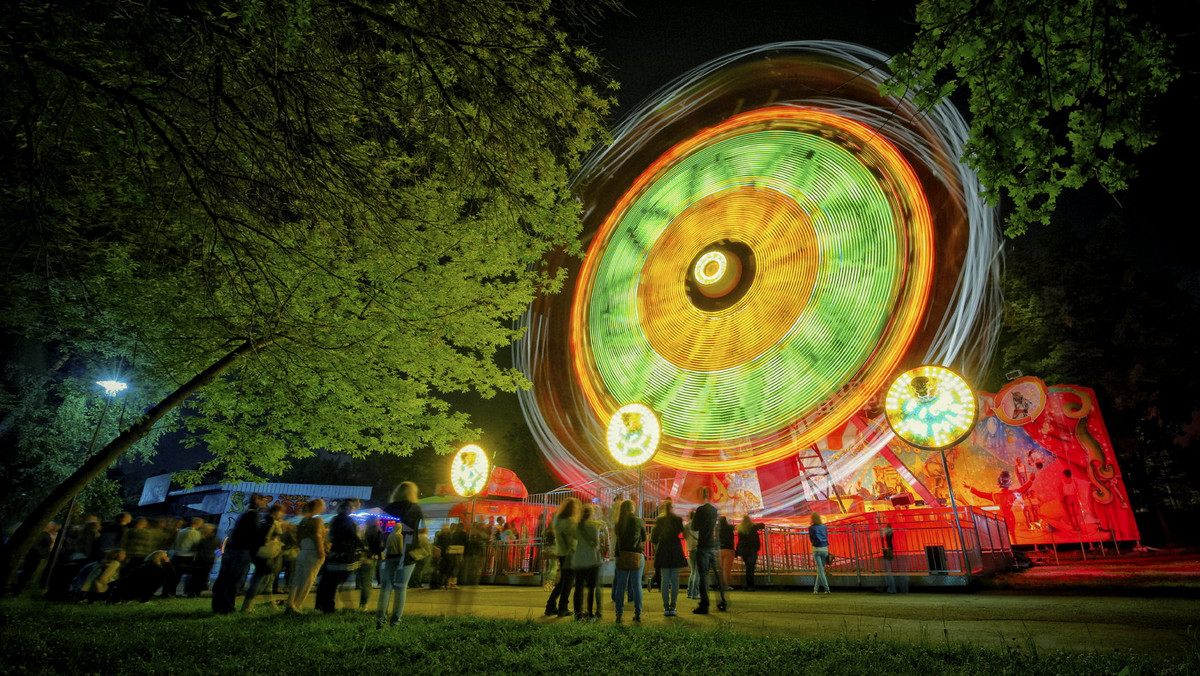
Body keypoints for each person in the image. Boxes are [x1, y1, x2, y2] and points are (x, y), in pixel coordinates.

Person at [376, 481, 424, 628]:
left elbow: (381, 530)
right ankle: (396, 620)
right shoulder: (415, 509)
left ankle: (380, 620)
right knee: (401, 587)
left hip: (388, 551)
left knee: (386, 587)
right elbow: (421, 532)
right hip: (407, 552)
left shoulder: (388, 508)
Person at [212, 492, 269, 614]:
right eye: (264, 500)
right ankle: (227, 607)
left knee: (224, 577)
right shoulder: (253, 515)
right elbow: (255, 535)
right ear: (257, 501)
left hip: (231, 550)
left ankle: (218, 605)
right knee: (234, 580)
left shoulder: (244, 515)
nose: (265, 503)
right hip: (241, 551)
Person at [316, 499, 362, 613]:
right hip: (343, 554)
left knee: (330, 581)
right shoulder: (347, 520)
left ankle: (324, 605)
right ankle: (329, 606)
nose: (351, 509)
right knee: (335, 581)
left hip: (335, 552)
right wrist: (363, 546)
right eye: (350, 507)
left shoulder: (335, 519)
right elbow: (352, 535)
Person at [286, 499, 326, 614]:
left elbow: (297, 537)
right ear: (318, 507)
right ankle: (297, 606)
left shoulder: (303, 521)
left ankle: (290, 604)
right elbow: (317, 535)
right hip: (313, 552)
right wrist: (321, 551)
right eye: (322, 505)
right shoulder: (318, 520)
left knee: (297, 580)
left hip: (303, 551)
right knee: (307, 581)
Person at [242, 504, 285, 612]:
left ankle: (269, 602)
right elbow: (265, 539)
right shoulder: (271, 523)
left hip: (266, 556)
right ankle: (247, 606)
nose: (283, 515)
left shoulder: (266, 521)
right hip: (267, 556)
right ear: (276, 512)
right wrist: (275, 541)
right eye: (281, 512)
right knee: (259, 580)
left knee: (267, 580)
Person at [543, 497, 579, 618]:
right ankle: (563, 607)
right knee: (568, 582)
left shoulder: (557, 520)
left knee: (563, 581)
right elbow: (577, 535)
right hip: (570, 553)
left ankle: (550, 606)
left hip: (561, 552)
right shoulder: (570, 521)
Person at [692, 487, 726, 614]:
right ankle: (722, 600)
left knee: (703, 576)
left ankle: (704, 604)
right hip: (713, 545)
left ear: (702, 495)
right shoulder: (714, 510)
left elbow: (695, 527)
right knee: (717, 575)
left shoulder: (700, 510)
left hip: (703, 545)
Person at [611, 499, 646, 622]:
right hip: (636, 555)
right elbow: (644, 538)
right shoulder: (639, 521)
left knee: (621, 586)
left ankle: (619, 614)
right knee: (637, 586)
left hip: (623, 556)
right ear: (633, 509)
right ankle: (638, 614)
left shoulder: (619, 523)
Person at [651, 499, 686, 618]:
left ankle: (666, 606)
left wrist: (657, 544)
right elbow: (684, 533)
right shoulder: (677, 519)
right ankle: (673, 606)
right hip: (675, 549)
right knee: (675, 581)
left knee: (665, 580)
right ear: (672, 507)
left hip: (663, 549)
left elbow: (654, 537)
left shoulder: (660, 520)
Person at [571, 505, 603, 621]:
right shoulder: (594, 526)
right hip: (591, 559)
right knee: (591, 588)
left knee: (578, 587)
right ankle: (590, 613)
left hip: (579, 559)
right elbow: (596, 544)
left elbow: (574, 539)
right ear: (591, 514)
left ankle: (577, 613)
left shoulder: (577, 526)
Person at [109, 551, 173, 604]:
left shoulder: (148, 564)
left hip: (126, 589)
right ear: (161, 558)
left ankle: (139, 599)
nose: (167, 557)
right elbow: (171, 575)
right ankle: (143, 600)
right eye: (165, 556)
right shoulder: (153, 567)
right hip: (131, 590)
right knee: (160, 579)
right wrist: (167, 563)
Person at [167, 518, 203, 598]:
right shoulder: (196, 533)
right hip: (188, 556)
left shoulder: (180, 531)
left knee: (175, 575)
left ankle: (170, 591)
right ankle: (188, 591)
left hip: (176, 555)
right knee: (188, 575)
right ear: (198, 524)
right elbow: (196, 545)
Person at [358, 515, 384, 609]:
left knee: (365, 583)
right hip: (372, 557)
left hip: (366, 557)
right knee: (367, 583)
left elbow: (370, 546)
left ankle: (363, 604)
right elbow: (380, 547)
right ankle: (363, 604)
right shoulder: (377, 531)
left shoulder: (368, 532)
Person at [735, 515, 765, 591]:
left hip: (744, 551)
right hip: (752, 549)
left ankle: (749, 585)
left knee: (748, 567)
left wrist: (737, 551)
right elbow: (762, 525)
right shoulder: (753, 527)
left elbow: (740, 541)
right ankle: (750, 586)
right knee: (750, 568)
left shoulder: (741, 529)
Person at [810, 512, 831, 594]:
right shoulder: (824, 526)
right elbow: (826, 535)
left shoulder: (812, 528)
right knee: (820, 570)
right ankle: (815, 590)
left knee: (820, 571)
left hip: (816, 549)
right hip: (825, 548)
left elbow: (811, 538)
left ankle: (827, 589)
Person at [683, 510, 699, 600]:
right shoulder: (699, 525)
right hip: (698, 548)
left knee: (692, 571)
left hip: (690, 548)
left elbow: (685, 536)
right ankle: (695, 593)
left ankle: (689, 592)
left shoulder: (686, 526)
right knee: (697, 572)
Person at [717, 516, 735, 590]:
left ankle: (720, 585)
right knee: (727, 569)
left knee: (721, 569)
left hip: (719, 549)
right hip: (728, 549)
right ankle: (726, 585)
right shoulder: (730, 527)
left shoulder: (717, 528)